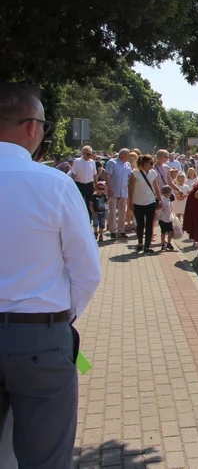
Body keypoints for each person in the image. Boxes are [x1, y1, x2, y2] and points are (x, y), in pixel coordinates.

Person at [0, 82, 100, 467]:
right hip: (40, 338)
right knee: (45, 459)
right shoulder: (54, 184)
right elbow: (86, 270)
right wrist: (60, 319)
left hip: (40, 333)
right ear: (30, 127)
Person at [128, 154, 160, 254]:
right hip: (138, 202)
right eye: (151, 163)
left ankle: (147, 246)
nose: (152, 165)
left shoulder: (153, 173)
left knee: (150, 224)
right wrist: (131, 201)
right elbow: (131, 188)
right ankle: (140, 242)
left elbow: (156, 186)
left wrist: (159, 199)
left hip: (150, 201)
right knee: (140, 224)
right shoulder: (135, 173)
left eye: (153, 163)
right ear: (144, 163)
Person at [105, 148, 132, 239]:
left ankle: (121, 230)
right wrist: (109, 189)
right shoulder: (112, 162)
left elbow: (130, 177)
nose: (130, 157)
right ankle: (112, 230)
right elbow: (107, 177)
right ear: (123, 155)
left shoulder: (128, 164)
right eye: (128, 155)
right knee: (112, 211)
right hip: (113, 190)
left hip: (124, 191)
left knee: (122, 212)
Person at [71, 145, 97, 219]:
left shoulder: (92, 162)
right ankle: (79, 217)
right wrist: (72, 184)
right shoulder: (77, 161)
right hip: (79, 184)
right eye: (87, 154)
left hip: (89, 184)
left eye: (90, 154)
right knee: (79, 201)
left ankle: (89, 217)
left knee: (89, 202)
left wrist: (96, 184)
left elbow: (95, 174)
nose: (89, 156)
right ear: (83, 153)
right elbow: (73, 174)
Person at [157, 185, 175, 251]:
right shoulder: (162, 200)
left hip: (168, 218)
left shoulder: (168, 199)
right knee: (163, 232)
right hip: (162, 218)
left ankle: (169, 243)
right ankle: (163, 243)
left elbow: (170, 208)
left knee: (170, 231)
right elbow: (159, 208)